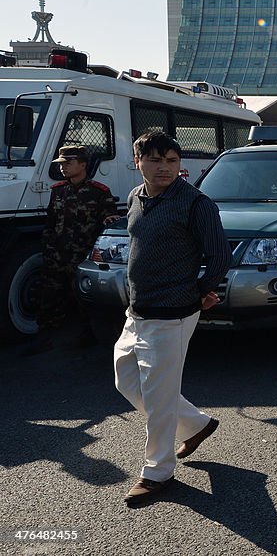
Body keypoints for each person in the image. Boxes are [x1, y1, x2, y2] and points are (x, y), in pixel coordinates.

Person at [113, 131, 230, 506]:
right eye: (156, 160)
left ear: (181, 165)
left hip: (173, 315)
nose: (164, 168)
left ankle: (157, 472)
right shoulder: (136, 197)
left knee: (159, 398)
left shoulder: (196, 204)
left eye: (172, 160)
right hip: (138, 310)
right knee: (126, 379)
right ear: (139, 162)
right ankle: (196, 424)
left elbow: (219, 256)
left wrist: (199, 291)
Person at [32, 145, 119, 353]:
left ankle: (86, 337)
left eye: (68, 163)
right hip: (57, 254)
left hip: (82, 256)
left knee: (82, 300)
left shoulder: (99, 192)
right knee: (49, 296)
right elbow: (51, 221)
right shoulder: (58, 190)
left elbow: (109, 220)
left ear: (83, 164)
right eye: (61, 164)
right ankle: (44, 338)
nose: (63, 168)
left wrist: (107, 219)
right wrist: (48, 246)